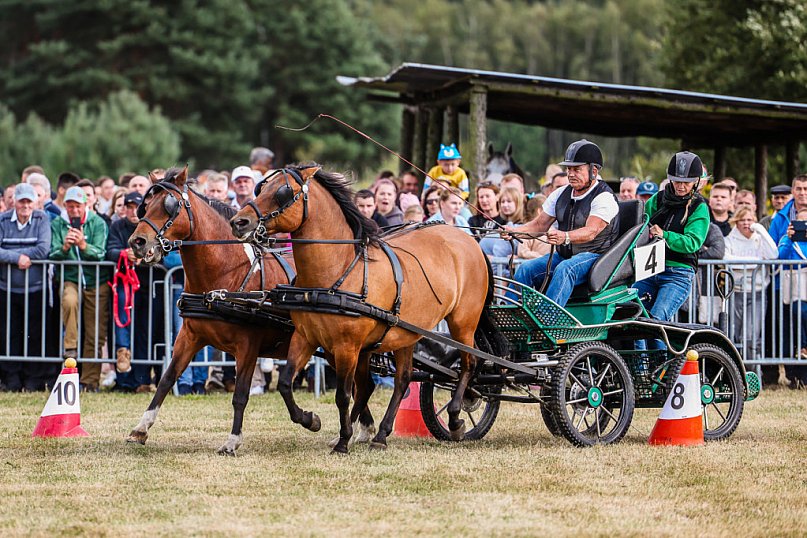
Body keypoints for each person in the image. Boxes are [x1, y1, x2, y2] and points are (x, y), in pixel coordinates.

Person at [510, 139, 619, 307]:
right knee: (525, 269)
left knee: (565, 269)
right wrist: (513, 231)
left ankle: (548, 323)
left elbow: (591, 231)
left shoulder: (604, 197)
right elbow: (539, 226)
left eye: (577, 169)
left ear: (594, 171)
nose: (571, 173)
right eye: (568, 168)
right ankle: (507, 316)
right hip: (564, 256)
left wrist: (565, 236)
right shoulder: (560, 194)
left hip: (596, 257)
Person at [632, 152, 710, 349]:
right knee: (634, 318)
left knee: (657, 322)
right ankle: (638, 372)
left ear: (696, 182)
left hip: (678, 272)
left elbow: (693, 242)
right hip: (650, 268)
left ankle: (660, 374)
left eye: (686, 182)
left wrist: (665, 235)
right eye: (676, 181)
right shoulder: (657, 200)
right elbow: (641, 224)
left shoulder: (699, 207)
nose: (681, 186)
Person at [49, 186, 110, 392]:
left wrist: (84, 245)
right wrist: (65, 247)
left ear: (86, 205)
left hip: (96, 281)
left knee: (95, 330)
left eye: (78, 206)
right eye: (70, 206)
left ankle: (90, 381)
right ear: (65, 205)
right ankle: (70, 349)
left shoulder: (97, 222)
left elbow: (100, 253)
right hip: (71, 278)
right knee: (69, 300)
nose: (74, 210)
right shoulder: (58, 223)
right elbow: (51, 253)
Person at [106, 191, 163, 393]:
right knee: (123, 332)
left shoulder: (151, 225)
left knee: (144, 334)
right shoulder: (117, 226)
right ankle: (124, 381)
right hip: (124, 286)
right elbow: (109, 250)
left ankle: (141, 380)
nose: (132, 211)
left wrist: (147, 256)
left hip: (149, 287)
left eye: (136, 207)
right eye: (128, 207)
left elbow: (163, 252)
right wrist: (124, 254)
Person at [0, 184, 52, 391]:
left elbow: (43, 249)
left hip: (36, 288)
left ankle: (33, 381)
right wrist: (17, 257)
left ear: (35, 203)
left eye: (29, 201)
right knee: (8, 334)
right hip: (7, 288)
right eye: (22, 201)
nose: (25, 205)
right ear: (14, 202)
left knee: (35, 335)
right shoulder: (3, 220)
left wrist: (15, 254)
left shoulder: (42, 219)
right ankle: (11, 380)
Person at [723, 207, 777, 359]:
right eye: (743, 220)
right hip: (736, 291)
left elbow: (773, 255)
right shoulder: (729, 239)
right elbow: (727, 259)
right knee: (734, 334)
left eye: (750, 220)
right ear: (736, 222)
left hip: (757, 293)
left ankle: (752, 372)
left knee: (751, 335)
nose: (747, 223)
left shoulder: (760, 239)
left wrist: (760, 229)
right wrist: (757, 262)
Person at [777, 206, 807, 388]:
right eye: (800, 223)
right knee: (799, 311)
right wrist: (789, 238)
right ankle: (803, 347)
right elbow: (779, 257)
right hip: (795, 287)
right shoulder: (787, 239)